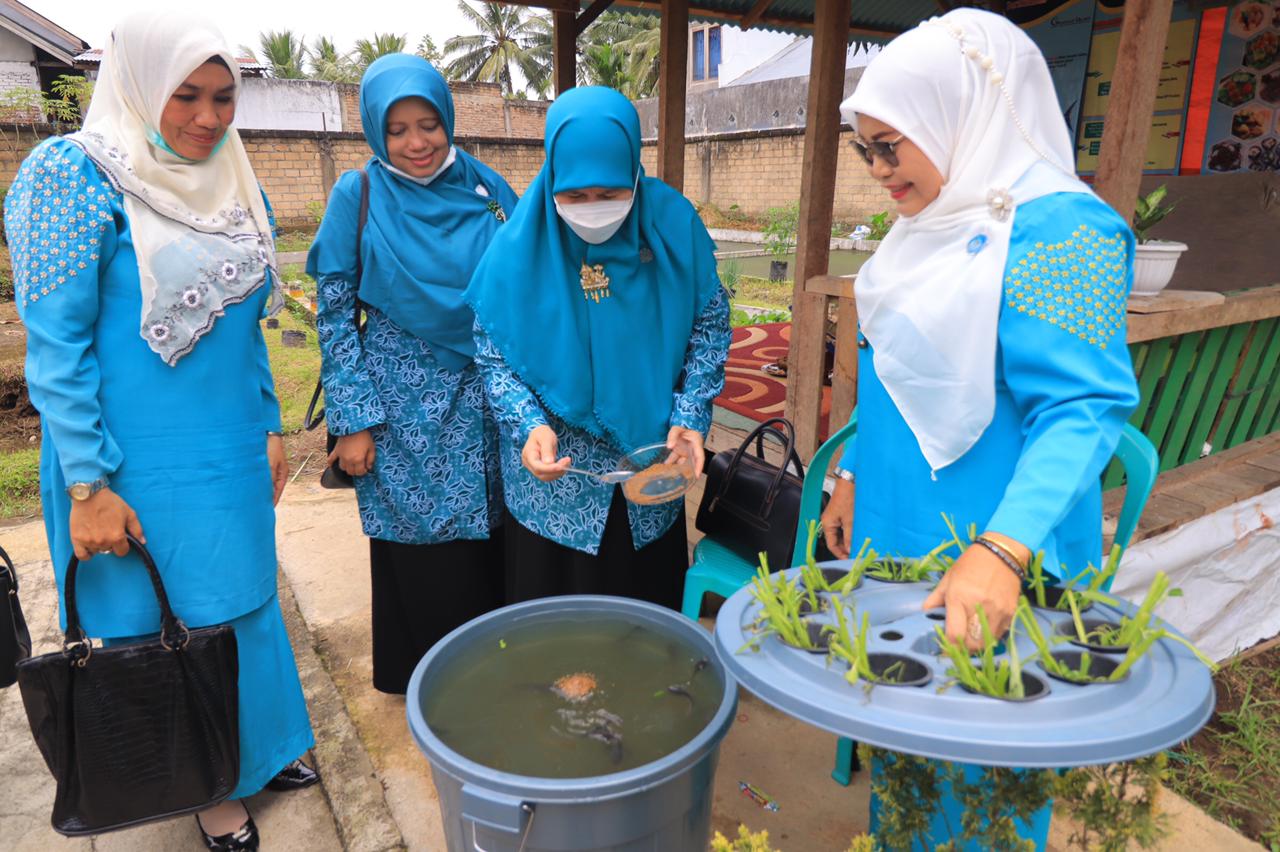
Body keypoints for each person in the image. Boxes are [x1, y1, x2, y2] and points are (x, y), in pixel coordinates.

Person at [7, 14, 316, 851]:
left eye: (224, 97)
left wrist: (270, 421)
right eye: (186, 95)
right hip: (129, 461)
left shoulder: (228, 174)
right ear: (141, 87)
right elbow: (56, 349)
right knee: (168, 619)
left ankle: (260, 751)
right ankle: (207, 784)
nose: (209, 118)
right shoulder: (72, 176)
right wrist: (89, 485)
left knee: (245, 602)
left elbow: (250, 319)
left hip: (226, 447)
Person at [820, 9, 1140, 652]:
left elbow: (1082, 409)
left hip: (998, 535)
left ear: (959, 116)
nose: (879, 169)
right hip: (896, 508)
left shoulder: (1062, 231)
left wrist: (1003, 547)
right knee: (892, 688)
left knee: (987, 707)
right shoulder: (929, 221)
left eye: (891, 144)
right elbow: (896, 366)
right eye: (866, 148)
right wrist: (850, 476)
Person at [468, 86, 731, 608]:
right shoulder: (519, 246)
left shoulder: (673, 228)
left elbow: (710, 326)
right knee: (555, 632)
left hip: (651, 468)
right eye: (575, 195)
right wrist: (529, 424)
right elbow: (493, 353)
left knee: (645, 626)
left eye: (611, 192)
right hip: (555, 488)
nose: (594, 208)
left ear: (635, 168)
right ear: (552, 184)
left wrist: (691, 413)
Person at [308, 54, 517, 695]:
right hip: (402, 404)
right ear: (375, 130)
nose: (417, 143)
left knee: (492, 533)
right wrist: (353, 422)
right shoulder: (359, 194)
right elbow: (335, 313)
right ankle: (433, 683)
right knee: (421, 538)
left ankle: (492, 675)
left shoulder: (487, 190)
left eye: (428, 123)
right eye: (396, 129)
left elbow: (525, 286)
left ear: (448, 118)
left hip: (486, 396)